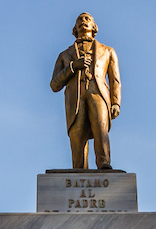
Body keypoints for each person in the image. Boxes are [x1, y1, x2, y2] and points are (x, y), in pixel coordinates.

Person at [50, 12, 121, 170]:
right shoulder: (64, 55)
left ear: (94, 27)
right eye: (79, 20)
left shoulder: (108, 51)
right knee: (77, 133)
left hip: (99, 94)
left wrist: (116, 102)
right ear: (74, 28)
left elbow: (115, 80)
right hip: (75, 98)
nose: (83, 21)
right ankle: (79, 169)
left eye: (87, 19)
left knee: (101, 128)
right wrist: (72, 67)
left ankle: (104, 164)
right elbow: (54, 84)